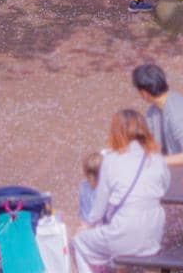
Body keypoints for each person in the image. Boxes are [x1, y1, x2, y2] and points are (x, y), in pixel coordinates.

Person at [71, 110, 169, 273]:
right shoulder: (157, 158)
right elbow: (164, 188)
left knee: (78, 241)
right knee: (142, 253)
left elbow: (99, 208)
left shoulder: (111, 160)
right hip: (153, 233)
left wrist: (87, 225)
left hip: (123, 232)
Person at [78, 151, 102, 221]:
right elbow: (83, 211)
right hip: (88, 224)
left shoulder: (105, 188)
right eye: (89, 175)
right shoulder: (84, 187)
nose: (91, 178)